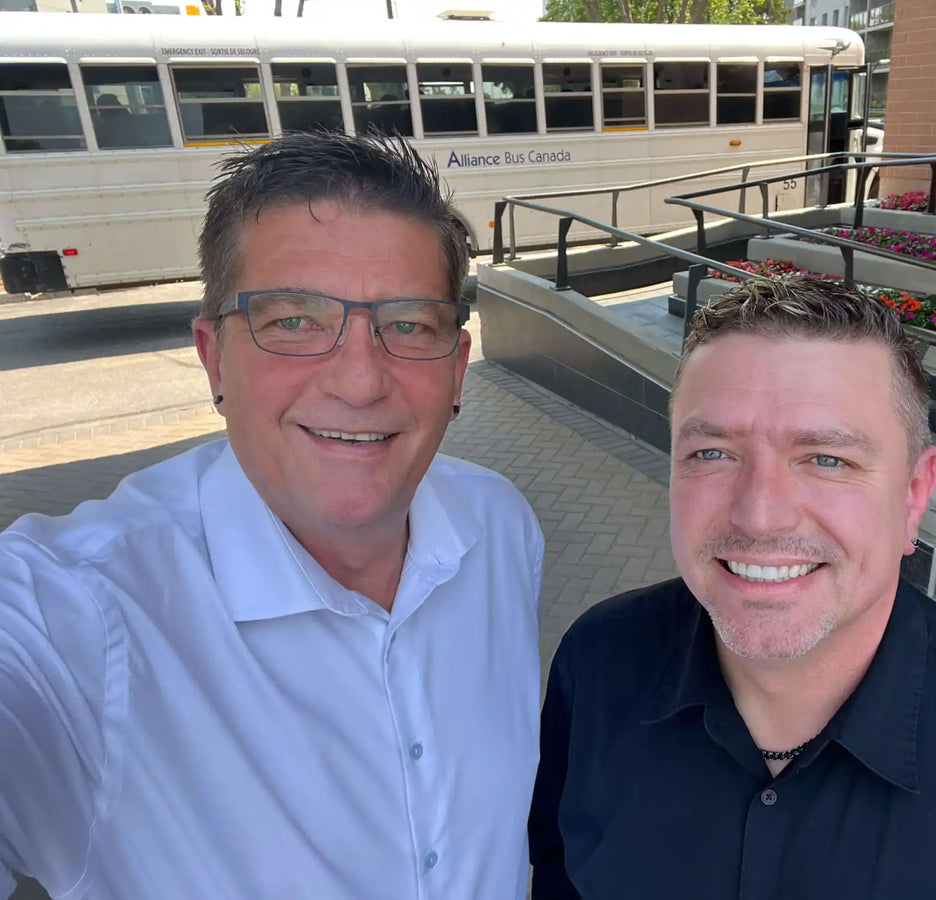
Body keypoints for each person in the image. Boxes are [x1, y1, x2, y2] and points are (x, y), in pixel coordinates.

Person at [529, 276, 936, 899]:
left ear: (914, 495)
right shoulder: (597, 666)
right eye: (713, 453)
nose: (759, 513)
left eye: (827, 458)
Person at [0, 131, 543, 899]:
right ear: (214, 357)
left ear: (457, 369)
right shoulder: (77, 618)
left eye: (410, 325)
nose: (360, 381)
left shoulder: (500, 528)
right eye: (293, 321)